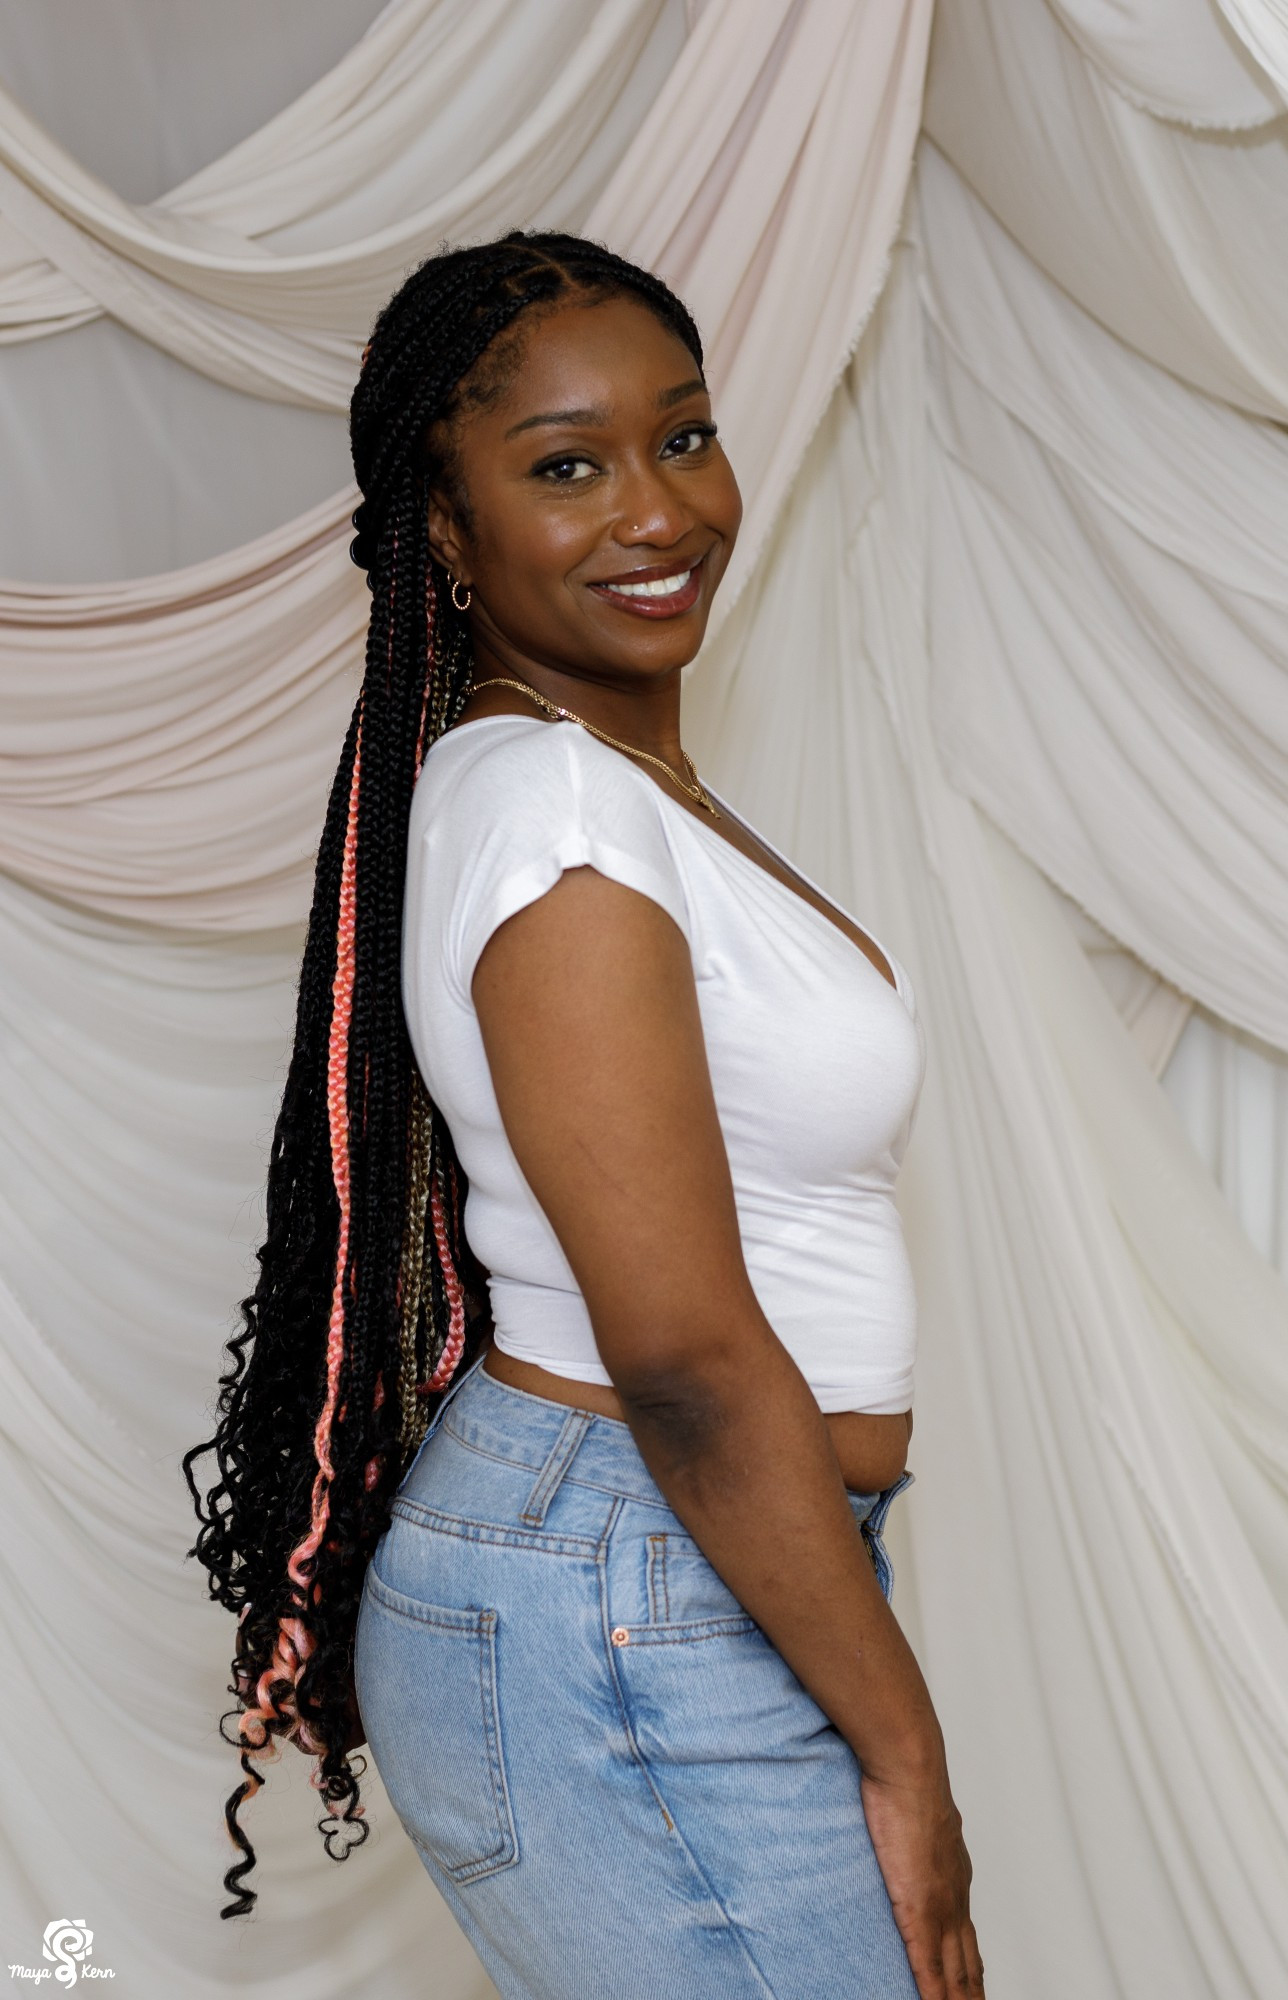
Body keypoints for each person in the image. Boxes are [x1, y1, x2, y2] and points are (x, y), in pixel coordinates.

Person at [183, 231, 983, 2000]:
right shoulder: (554, 813)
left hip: (670, 1566)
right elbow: (686, 1356)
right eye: (566, 467)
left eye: (681, 437)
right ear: (446, 535)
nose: (658, 511)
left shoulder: (599, 787)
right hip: (631, 1582)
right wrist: (911, 1761)